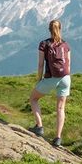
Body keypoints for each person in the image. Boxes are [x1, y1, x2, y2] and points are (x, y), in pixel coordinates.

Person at [29, 19, 71, 147]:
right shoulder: (66, 45)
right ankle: (58, 138)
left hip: (51, 77)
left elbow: (41, 64)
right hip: (65, 78)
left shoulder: (44, 44)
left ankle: (39, 126)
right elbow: (69, 63)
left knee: (33, 99)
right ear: (61, 29)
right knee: (60, 108)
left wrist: (39, 79)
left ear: (49, 29)